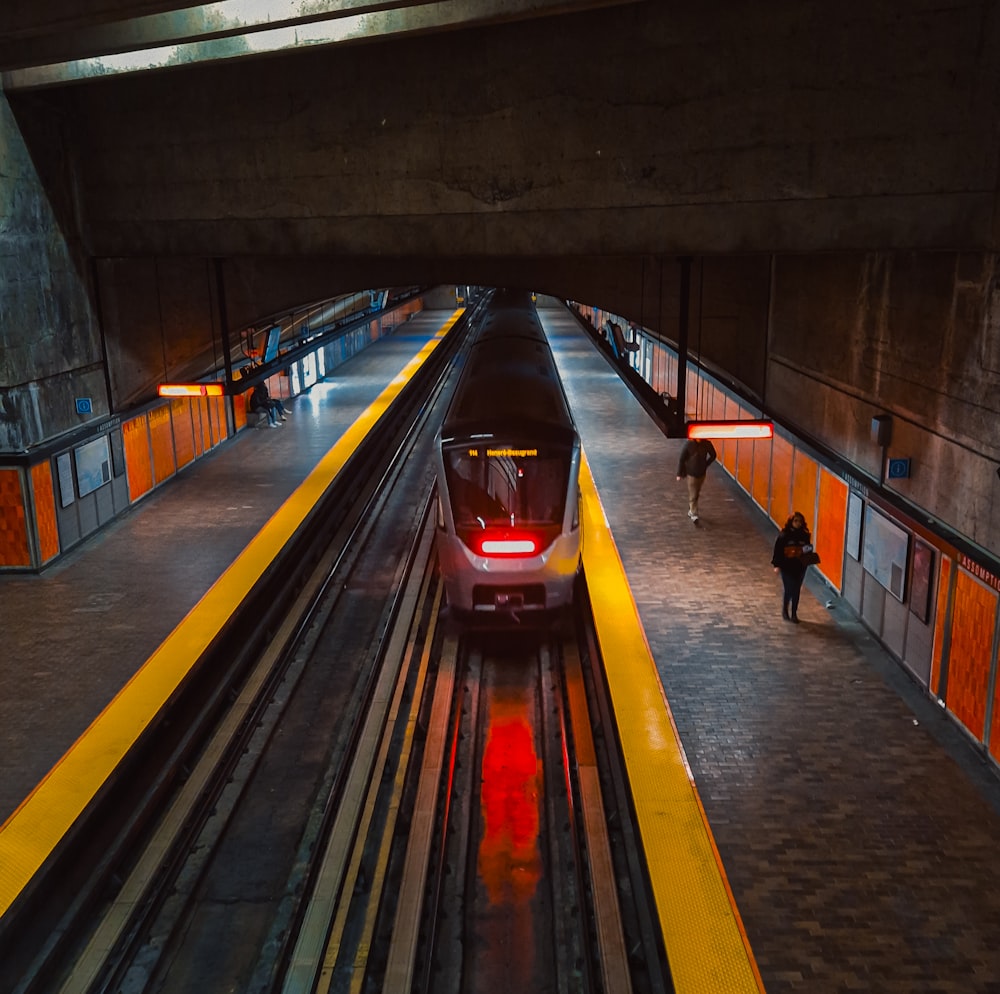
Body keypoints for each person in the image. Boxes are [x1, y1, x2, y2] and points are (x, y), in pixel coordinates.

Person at [771, 512, 813, 623]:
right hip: (787, 567)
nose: (798, 523)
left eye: (800, 521)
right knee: (789, 588)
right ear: (791, 522)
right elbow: (778, 551)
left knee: (796, 590)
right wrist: (777, 565)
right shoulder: (784, 535)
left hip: (800, 567)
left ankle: (794, 613)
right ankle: (785, 610)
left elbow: (808, 549)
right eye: (795, 521)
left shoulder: (804, 535)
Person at [676, 437, 717, 522]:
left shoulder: (707, 444)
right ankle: (694, 513)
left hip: (701, 473)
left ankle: (691, 510)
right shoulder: (689, 444)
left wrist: (705, 465)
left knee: (696, 492)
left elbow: (713, 455)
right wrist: (679, 473)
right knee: (693, 493)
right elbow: (682, 458)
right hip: (691, 473)